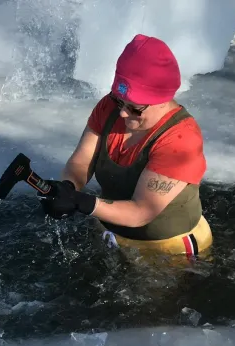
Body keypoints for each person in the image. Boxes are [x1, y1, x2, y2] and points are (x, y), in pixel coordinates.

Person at [39, 34, 213, 259]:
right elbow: (81, 161)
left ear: (162, 99)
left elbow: (141, 211)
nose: (122, 112)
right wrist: (67, 188)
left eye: (135, 108)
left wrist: (82, 202)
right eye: (119, 100)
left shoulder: (180, 139)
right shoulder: (108, 107)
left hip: (170, 249)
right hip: (111, 230)